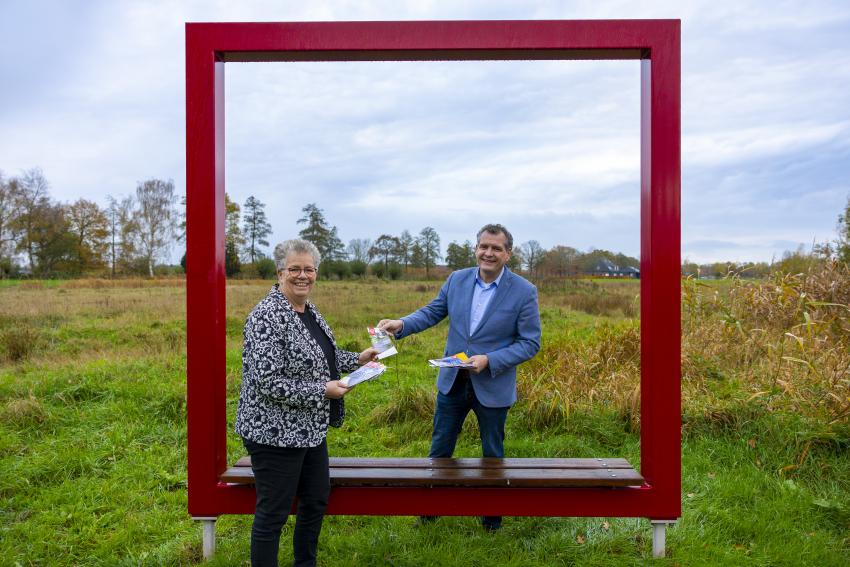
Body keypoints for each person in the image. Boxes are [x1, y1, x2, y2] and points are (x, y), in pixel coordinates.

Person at [378, 223, 541, 531]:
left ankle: (492, 516)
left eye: (496, 248)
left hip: (492, 382)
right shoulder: (457, 279)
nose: (488, 253)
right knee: (439, 448)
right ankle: (430, 509)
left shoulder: (523, 291)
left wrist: (490, 360)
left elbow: (530, 342)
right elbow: (432, 312)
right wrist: (402, 323)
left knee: (493, 453)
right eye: (484, 246)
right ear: (476, 248)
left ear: (508, 253)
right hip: (452, 380)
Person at [235, 238, 378, 567]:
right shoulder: (265, 317)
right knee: (273, 513)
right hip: (273, 432)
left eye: (309, 269)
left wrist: (358, 359)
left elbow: (321, 360)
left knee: (315, 500)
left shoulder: (307, 311)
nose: (303, 276)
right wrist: (322, 391)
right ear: (280, 272)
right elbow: (268, 382)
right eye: (295, 269)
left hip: (310, 430)